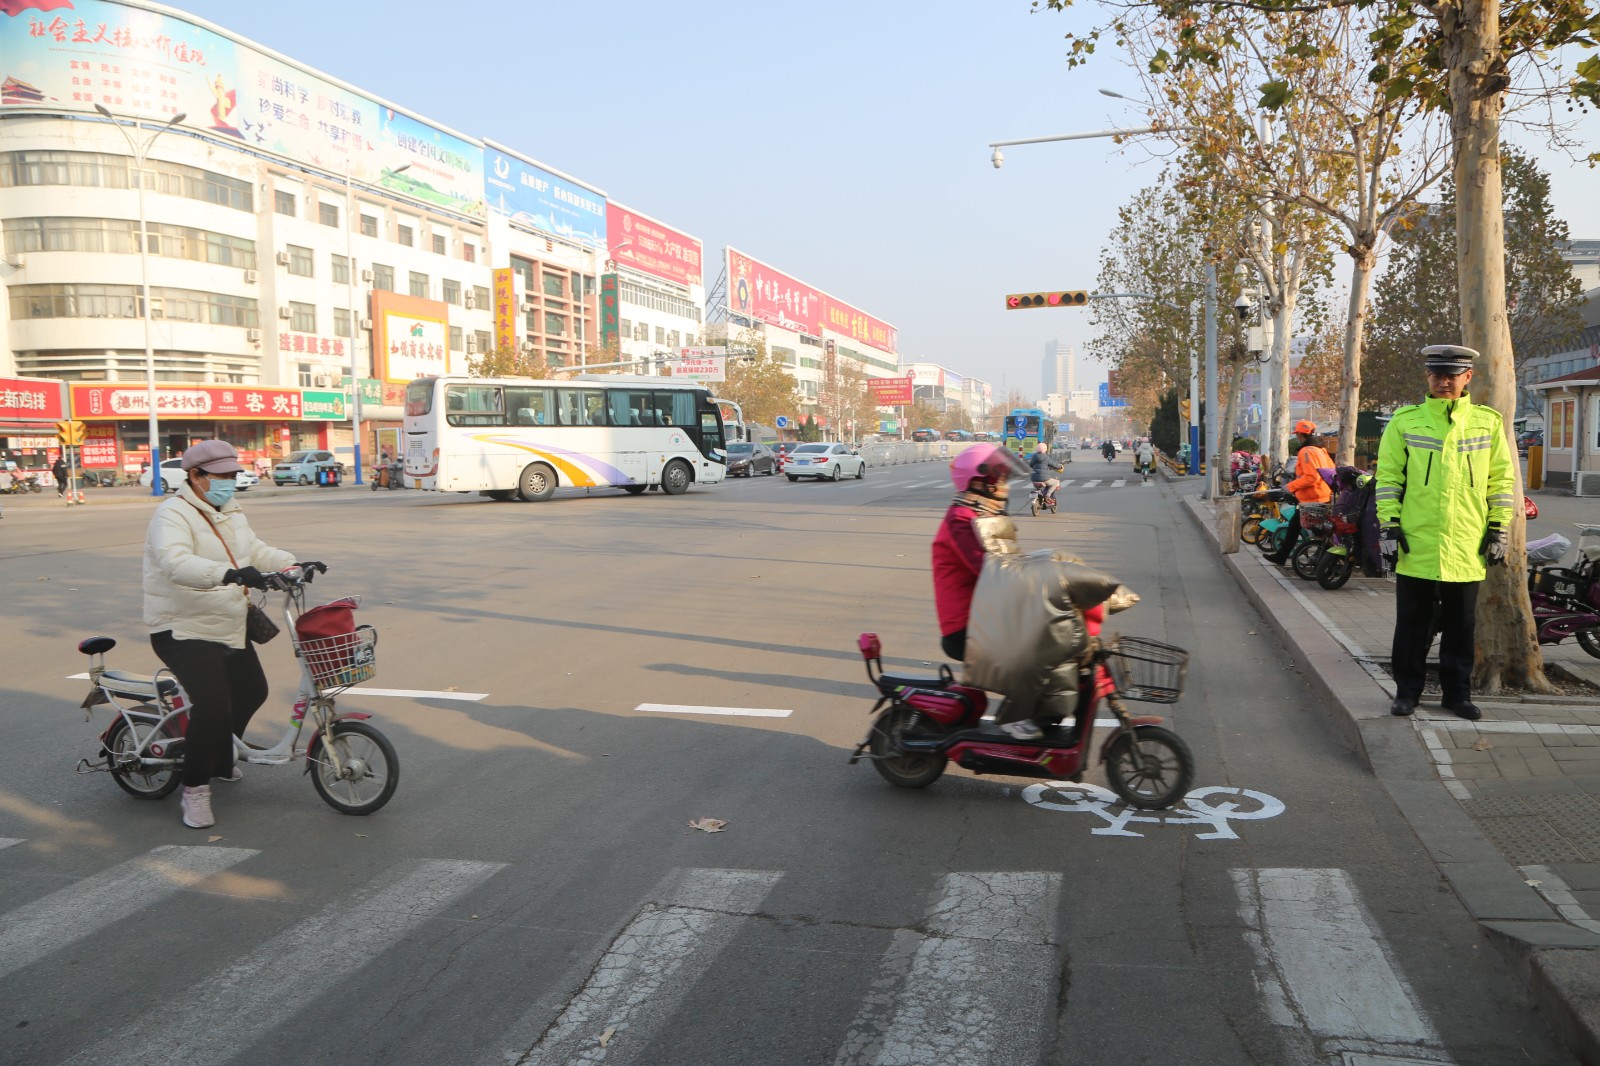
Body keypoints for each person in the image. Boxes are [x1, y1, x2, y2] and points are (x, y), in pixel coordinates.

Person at [142, 440, 318, 829]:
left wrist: (292, 563)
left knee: (253, 690)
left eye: (232, 474)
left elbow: (253, 550)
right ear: (196, 477)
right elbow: (175, 563)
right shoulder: (172, 514)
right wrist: (229, 574)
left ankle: (219, 756)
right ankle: (195, 788)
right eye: (221, 476)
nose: (229, 481)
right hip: (181, 627)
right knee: (213, 704)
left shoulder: (231, 511)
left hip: (225, 622)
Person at [1376, 345, 1513, 721]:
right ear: (1428, 376)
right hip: (1417, 542)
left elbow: (1501, 479)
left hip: (1468, 544)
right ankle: (1407, 693)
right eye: (1437, 374)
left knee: (1461, 627)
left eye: (1452, 375)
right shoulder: (1405, 421)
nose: (1444, 381)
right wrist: (1388, 526)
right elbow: (1388, 479)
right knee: (1411, 626)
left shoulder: (1487, 422)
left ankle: (1457, 695)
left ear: (1468, 377)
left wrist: (1500, 527)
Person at [1266, 421, 1333, 565]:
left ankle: (1282, 557)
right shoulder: (1321, 450)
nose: (1296, 437)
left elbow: (1311, 477)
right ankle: (1282, 556)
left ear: (1301, 435)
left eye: (1297, 434)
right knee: (1302, 527)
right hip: (1323, 495)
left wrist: (1290, 487)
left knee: (1299, 527)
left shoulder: (1306, 451)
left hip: (1313, 498)